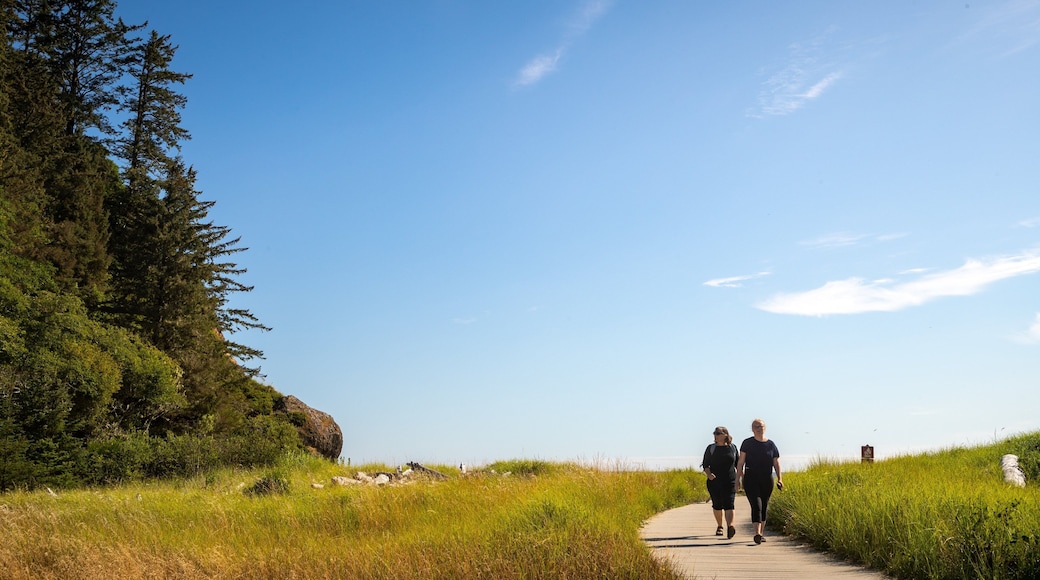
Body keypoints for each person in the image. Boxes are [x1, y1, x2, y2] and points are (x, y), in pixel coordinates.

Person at [735, 418, 783, 545]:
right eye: (756, 426)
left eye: (761, 426)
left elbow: (776, 463)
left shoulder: (771, 444)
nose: (759, 428)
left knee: (764, 506)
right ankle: (757, 533)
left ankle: (761, 533)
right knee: (756, 505)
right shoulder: (747, 443)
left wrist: (780, 479)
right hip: (751, 478)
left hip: (767, 478)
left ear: (765, 428)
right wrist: (737, 480)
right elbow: (740, 463)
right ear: (752, 429)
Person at [701, 426, 738, 539]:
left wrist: (740, 479)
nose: (716, 436)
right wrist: (709, 474)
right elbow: (705, 465)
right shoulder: (711, 448)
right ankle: (720, 526)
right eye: (715, 433)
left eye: (718, 433)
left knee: (729, 503)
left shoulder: (733, 448)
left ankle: (730, 526)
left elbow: (738, 465)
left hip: (730, 480)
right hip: (714, 481)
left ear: (725, 435)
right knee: (717, 505)